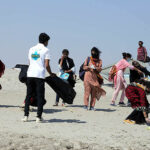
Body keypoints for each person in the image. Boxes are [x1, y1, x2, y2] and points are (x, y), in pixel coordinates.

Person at [22, 33, 55, 123]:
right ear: (45, 41)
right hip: (39, 75)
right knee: (40, 96)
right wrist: (51, 73)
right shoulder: (46, 50)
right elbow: (47, 65)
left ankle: (26, 116)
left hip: (30, 74)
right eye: (48, 41)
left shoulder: (31, 49)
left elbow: (30, 62)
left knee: (28, 95)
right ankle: (38, 117)